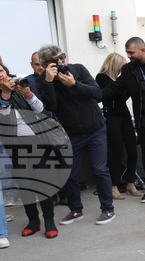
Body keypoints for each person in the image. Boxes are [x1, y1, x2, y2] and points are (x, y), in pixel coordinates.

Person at [36, 45, 116, 226]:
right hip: (72, 133)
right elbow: (51, 106)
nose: (61, 62)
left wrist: (74, 84)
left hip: (96, 129)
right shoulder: (43, 81)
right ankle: (76, 210)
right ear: (45, 65)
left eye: (62, 57)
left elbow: (97, 93)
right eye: (56, 60)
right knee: (69, 173)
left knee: (100, 169)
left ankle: (108, 209)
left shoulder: (78, 69)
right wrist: (49, 82)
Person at [0, 63, 58, 239]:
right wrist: (6, 94)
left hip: (37, 141)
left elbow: (41, 109)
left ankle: (49, 221)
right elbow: (4, 116)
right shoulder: (5, 92)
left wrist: (28, 94)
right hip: (14, 144)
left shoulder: (21, 84)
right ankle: (33, 220)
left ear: (6, 71)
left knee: (43, 183)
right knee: (25, 185)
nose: (0, 74)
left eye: (1, 70)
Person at [101, 37, 145, 203]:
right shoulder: (129, 70)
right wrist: (86, 93)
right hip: (144, 119)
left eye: (131, 52)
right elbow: (113, 89)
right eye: (127, 52)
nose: (128, 56)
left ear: (143, 50)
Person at [95, 53, 141, 200]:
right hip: (112, 117)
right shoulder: (102, 77)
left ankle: (130, 183)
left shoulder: (122, 80)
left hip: (125, 116)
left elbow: (124, 97)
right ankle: (113, 186)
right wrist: (124, 83)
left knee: (132, 150)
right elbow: (111, 94)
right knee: (117, 152)